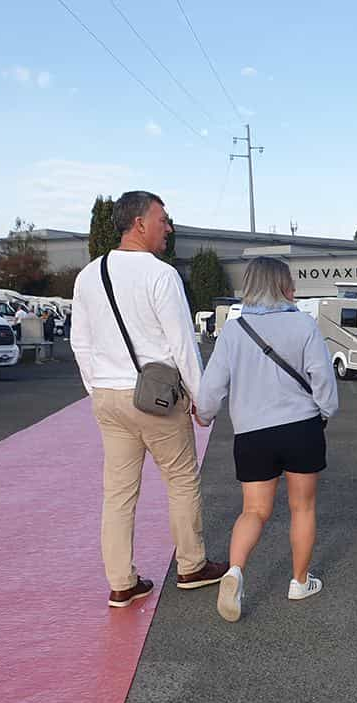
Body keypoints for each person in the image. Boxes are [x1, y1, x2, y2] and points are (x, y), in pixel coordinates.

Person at [71, 190, 227, 608]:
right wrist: (203, 401)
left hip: (107, 396)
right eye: (164, 219)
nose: (169, 228)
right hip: (156, 399)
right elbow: (182, 346)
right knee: (180, 480)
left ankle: (122, 582)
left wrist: (98, 386)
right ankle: (191, 565)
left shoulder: (89, 275)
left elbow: (80, 341)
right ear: (140, 223)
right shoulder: (160, 275)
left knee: (118, 493)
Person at [196, 256, 338, 622]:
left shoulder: (233, 329)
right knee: (302, 508)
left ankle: (235, 572)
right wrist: (325, 410)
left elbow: (212, 387)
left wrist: (205, 413)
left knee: (254, 511)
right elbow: (322, 379)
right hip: (301, 427)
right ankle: (299, 581)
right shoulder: (304, 325)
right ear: (283, 285)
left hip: (252, 433)